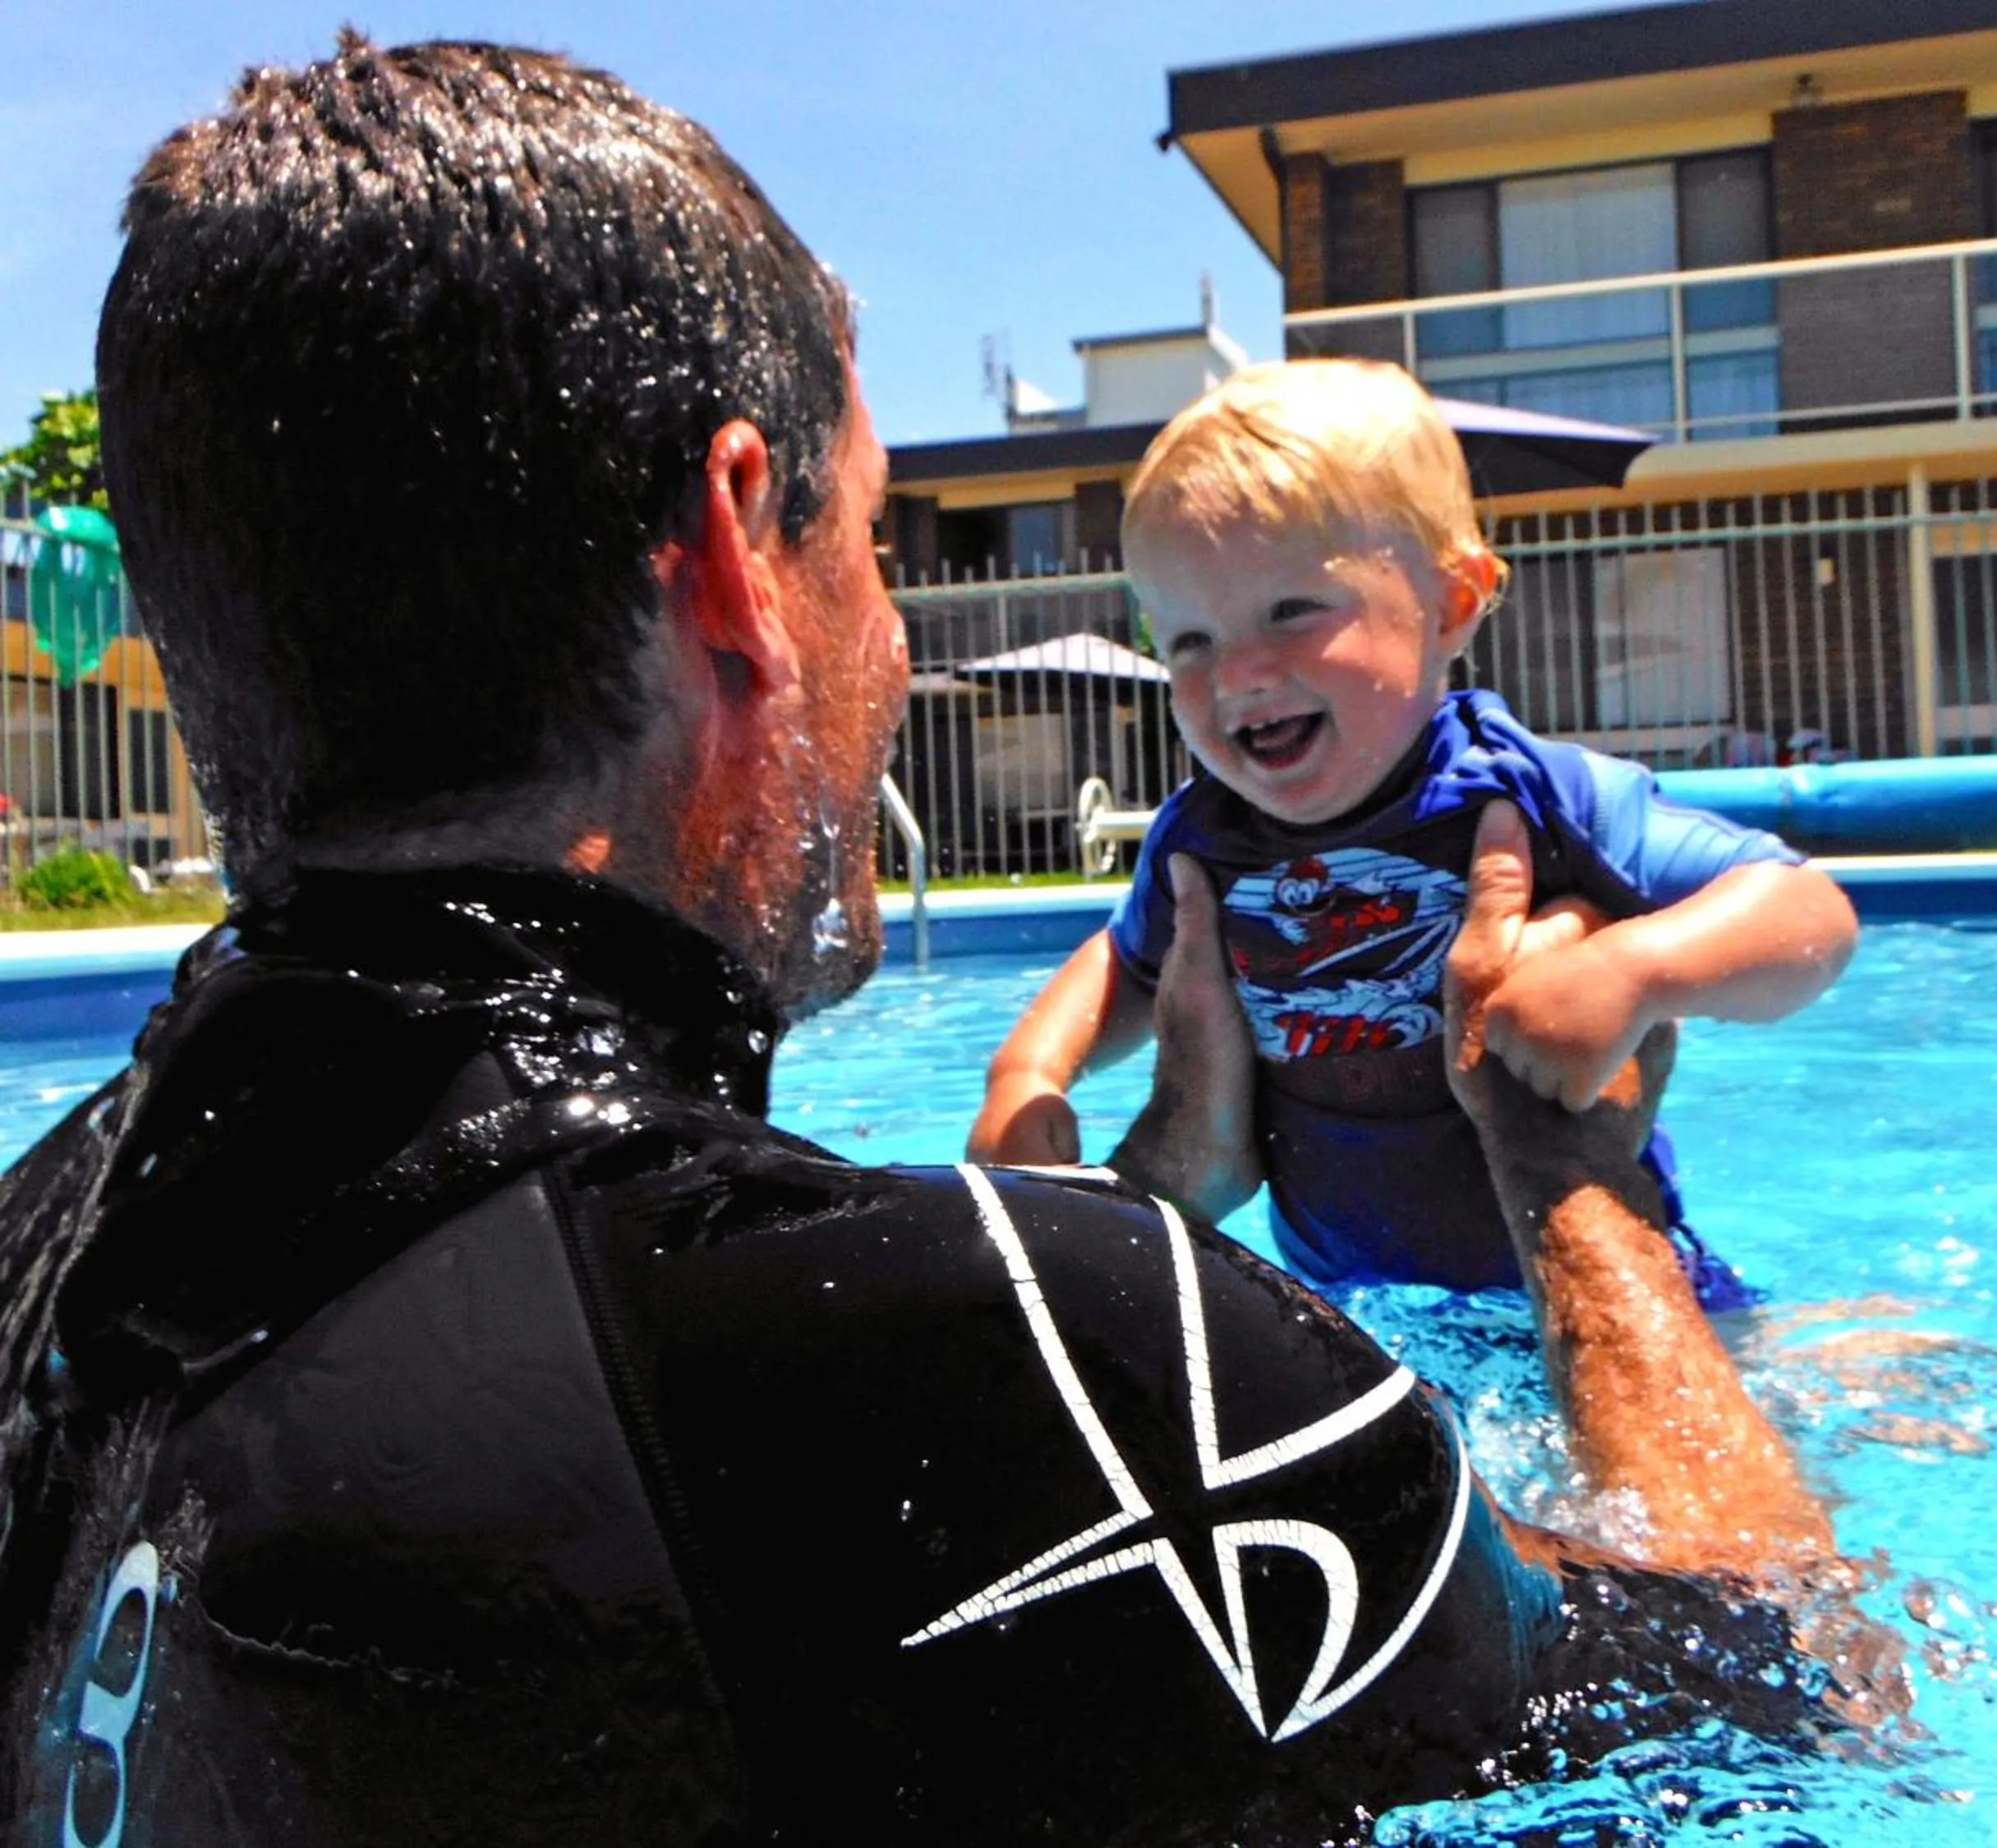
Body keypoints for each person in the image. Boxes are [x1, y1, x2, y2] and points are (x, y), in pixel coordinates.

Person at [0, 39, 1845, 1847]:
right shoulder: (1041, 1359)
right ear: (741, 567)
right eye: (876, 543)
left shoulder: (50, 1251)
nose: (890, 646)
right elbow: (1805, 1697)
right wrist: (1571, 1182)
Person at [969, 361, 1860, 1300]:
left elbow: (1807, 912)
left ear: (1451, 606)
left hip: (1584, 1275)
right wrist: (1029, 1072)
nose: (1237, 675)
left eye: (1291, 612)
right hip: (1345, 1302)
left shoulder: (1524, 793)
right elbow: (1127, 962)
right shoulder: (1205, 838)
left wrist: (1631, 974)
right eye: (1188, 640)